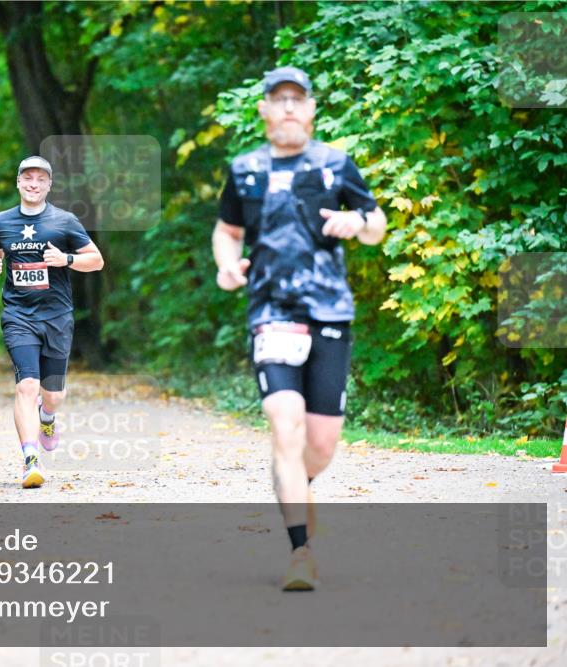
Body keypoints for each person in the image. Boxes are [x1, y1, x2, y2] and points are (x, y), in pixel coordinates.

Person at [212, 67, 387, 590]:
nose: (288, 107)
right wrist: (227, 264)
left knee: (321, 445)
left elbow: (377, 224)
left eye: (298, 99)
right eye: (278, 99)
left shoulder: (336, 164)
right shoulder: (244, 170)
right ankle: (300, 553)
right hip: (270, 310)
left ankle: (297, 480)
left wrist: (358, 224)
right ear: (263, 109)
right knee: (283, 425)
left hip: (329, 310)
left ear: (311, 109)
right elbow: (227, 230)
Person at [0, 156, 105, 488]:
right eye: (27, 178)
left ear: (49, 185)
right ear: (18, 182)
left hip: (57, 317)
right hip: (18, 315)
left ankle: (47, 418)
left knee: (53, 395)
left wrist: (65, 259)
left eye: (40, 179)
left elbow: (96, 260)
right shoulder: (3, 220)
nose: (33, 184)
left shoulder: (64, 221)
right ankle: (30, 460)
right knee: (26, 386)